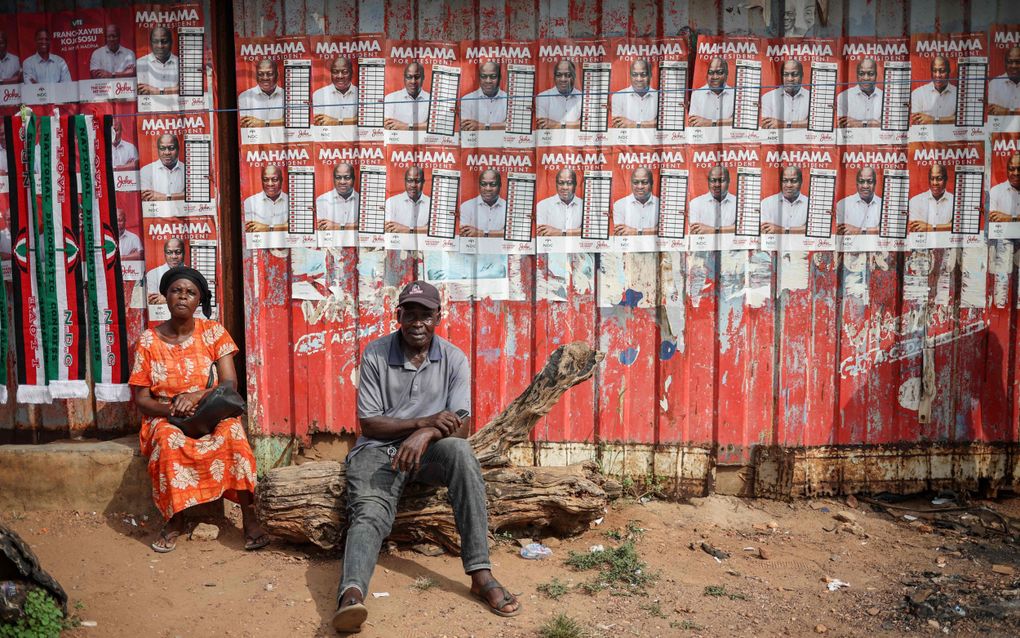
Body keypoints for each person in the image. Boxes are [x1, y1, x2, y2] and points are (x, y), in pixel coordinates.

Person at [331, 280, 520, 633]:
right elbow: (369, 424)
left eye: (426, 315)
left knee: (461, 452)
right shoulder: (375, 354)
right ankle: (351, 595)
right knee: (370, 512)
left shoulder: (454, 357)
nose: (417, 322)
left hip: (432, 451)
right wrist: (424, 420)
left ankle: (480, 574)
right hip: (378, 451)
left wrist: (427, 433)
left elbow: (461, 426)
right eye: (410, 314)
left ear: (438, 316)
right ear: (398, 315)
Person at [130, 266, 269, 554]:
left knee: (233, 434)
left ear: (199, 300)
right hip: (167, 416)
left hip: (209, 413)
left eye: (190, 292)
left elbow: (230, 384)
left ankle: (249, 518)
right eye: (176, 291)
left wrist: (196, 396)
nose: (183, 297)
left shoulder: (213, 332)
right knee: (168, 442)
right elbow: (142, 399)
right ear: (166, 296)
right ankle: (175, 519)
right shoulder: (147, 340)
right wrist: (171, 409)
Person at [761, 59, 809, 129]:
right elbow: (766, 125)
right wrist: (802, 124)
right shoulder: (768, 97)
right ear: (781, 76)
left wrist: (783, 124)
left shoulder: (812, 97)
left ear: (802, 75)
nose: (790, 79)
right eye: (786, 74)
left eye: (794, 74)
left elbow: (815, 124)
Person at [688, 166, 736, 234]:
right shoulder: (695, 203)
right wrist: (730, 229)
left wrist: (713, 230)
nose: (717, 185)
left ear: (729, 181)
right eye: (713, 180)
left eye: (721, 180)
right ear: (708, 182)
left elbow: (743, 228)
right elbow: (695, 230)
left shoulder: (738, 203)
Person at [460, 61, 507, 131]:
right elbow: (466, 127)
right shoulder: (467, 99)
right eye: (484, 76)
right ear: (479, 78)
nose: (488, 81)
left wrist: (483, 126)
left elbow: (513, 126)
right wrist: (500, 126)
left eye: (493, 76)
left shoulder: (509, 100)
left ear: (500, 78)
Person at [760, 166, 808, 233]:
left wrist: (781, 230)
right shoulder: (766, 203)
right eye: (785, 180)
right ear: (780, 182)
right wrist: (800, 230)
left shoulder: (810, 204)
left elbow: (813, 230)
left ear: (801, 182)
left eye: (794, 181)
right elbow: (765, 230)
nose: (789, 185)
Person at [910, 55, 956, 125]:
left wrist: (934, 120)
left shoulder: (958, 94)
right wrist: (949, 119)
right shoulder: (918, 93)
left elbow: (962, 119)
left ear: (949, 71)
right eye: (934, 71)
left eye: (942, 71)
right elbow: (917, 121)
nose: (938, 75)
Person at [611, 59, 657, 129]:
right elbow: (618, 125)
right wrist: (650, 124)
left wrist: (634, 124)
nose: (639, 79)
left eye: (643, 74)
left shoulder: (660, 96)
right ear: (629, 76)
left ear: (650, 75)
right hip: (628, 139)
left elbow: (663, 124)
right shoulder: (617, 96)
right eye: (634, 75)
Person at [535, 60, 581, 129]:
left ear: (574, 76)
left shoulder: (583, 98)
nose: (563, 79)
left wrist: (557, 125)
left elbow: (587, 125)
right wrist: (574, 125)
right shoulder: (542, 97)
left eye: (567, 75)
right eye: (559, 75)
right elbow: (543, 125)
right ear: (554, 77)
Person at [459, 170, 506, 238]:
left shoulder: (508, 208)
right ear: (479, 185)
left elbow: (512, 233)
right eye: (483, 184)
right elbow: (465, 233)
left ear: (500, 185)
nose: (488, 188)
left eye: (493, 184)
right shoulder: (466, 206)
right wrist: (498, 234)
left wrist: (483, 233)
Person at [687, 58, 733, 127]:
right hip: (704, 137)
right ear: (707, 75)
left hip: (729, 137)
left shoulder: (736, 94)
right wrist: (726, 122)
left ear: (726, 75)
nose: (715, 77)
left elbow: (739, 122)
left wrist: (710, 122)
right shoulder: (697, 94)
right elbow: (693, 122)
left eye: (719, 72)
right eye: (711, 72)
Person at [312, 57, 358, 126]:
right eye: (335, 72)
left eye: (345, 72)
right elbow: (320, 122)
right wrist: (352, 120)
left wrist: (336, 121)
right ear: (331, 74)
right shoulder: (319, 94)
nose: (340, 76)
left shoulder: (360, 93)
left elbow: (365, 119)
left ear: (352, 73)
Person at [837, 58, 882, 128]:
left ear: (876, 75)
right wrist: (874, 123)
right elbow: (841, 125)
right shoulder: (843, 96)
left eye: (871, 74)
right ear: (857, 75)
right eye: (861, 74)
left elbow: (889, 125)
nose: (866, 78)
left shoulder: (885, 97)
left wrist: (861, 123)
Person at [536, 168, 583, 236]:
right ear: (556, 184)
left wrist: (560, 232)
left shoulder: (584, 205)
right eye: (561, 183)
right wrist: (576, 231)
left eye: (569, 183)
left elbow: (590, 230)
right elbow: (541, 232)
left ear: (575, 185)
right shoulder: (542, 205)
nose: (565, 187)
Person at [238, 59, 284, 128]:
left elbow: (293, 121)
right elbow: (244, 123)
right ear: (256, 76)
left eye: (270, 74)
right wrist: (279, 122)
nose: (265, 78)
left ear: (277, 75)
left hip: (283, 137)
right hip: (256, 137)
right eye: (260, 74)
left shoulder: (288, 95)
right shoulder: (245, 96)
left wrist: (264, 123)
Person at [908, 164, 954, 232]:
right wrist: (947, 227)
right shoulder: (915, 201)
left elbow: (960, 227)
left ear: (946, 179)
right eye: (932, 179)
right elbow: (915, 228)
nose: (935, 183)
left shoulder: (955, 201)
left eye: (939, 179)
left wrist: (931, 227)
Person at [612, 167, 658, 235]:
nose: (640, 187)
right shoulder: (619, 204)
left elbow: (665, 230)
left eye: (644, 182)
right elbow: (620, 232)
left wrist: (636, 231)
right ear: (631, 183)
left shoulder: (661, 204)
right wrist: (652, 231)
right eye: (635, 182)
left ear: (652, 183)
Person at [836, 167, 882, 234]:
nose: (865, 186)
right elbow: (838, 230)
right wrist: (874, 230)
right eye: (861, 181)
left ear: (875, 183)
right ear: (856, 183)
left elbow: (888, 230)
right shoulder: (843, 204)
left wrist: (858, 230)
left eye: (870, 181)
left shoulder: (884, 205)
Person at [140, 134, 185, 202]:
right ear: (158, 150)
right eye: (162, 148)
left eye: (171, 148)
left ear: (178, 149)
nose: (167, 152)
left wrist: (165, 197)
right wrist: (180, 196)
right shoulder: (146, 170)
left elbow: (195, 195)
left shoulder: (188, 170)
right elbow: (146, 197)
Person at [384, 62, 429, 130]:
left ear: (423, 78)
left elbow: (436, 126)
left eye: (417, 77)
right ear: (404, 78)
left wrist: (407, 126)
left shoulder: (432, 99)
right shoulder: (390, 98)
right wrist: (422, 126)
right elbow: (387, 125)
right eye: (409, 77)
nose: (413, 81)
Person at [243, 165, 289, 232]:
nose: (270, 184)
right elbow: (248, 228)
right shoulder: (250, 201)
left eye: (275, 179)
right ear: (262, 181)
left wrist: (267, 228)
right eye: (266, 180)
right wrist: (283, 226)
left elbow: (298, 226)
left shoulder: (292, 201)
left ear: (281, 180)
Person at [384, 167, 429, 233]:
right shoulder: (392, 202)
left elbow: (435, 229)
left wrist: (408, 229)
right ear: (405, 181)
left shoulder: (432, 204)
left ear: (423, 182)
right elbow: (388, 228)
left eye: (418, 181)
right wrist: (422, 229)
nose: (413, 185)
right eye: (409, 180)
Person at [316, 163, 359, 231]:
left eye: (347, 177)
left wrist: (337, 226)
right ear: (333, 179)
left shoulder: (363, 200)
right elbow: (322, 226)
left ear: (353, 179)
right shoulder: (322, 199)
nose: (342, 182)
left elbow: (366, 225)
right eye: (338, 177)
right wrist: (353, 226)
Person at [137, 26, 179, 96]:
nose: (160, 46)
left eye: (164, 41)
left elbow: (185, 89)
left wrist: (156, 91)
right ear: (150, 44)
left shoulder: (181, 63)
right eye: (156, 42)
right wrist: (173, 90)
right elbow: (139, 89)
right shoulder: (140, 63)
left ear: (171, 42)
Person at [145, 237, 185, 305]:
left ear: (184, 253)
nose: (174, 256)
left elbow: (196, 299)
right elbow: (152, 300)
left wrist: (167, 299)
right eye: (169, 252)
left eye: (178, 252)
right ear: (165, 254)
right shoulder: (152, 274)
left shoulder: (192, 274)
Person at [989, 47, 1020, 117]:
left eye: (1018, 62)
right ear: (1005, 63)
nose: (1013, 66)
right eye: (1010, 62)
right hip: (1001, 127)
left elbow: (1000, 111)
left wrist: (1006, 111)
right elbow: (992, 111)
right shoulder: (994, 83)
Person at [989, 153, 1020, 222]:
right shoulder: (996, 191)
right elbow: (992, 218)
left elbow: (1005, 218)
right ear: (1007, 170)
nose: (1016, 173)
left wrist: (1009, 218)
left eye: (1019, 169)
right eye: (1011, 169)